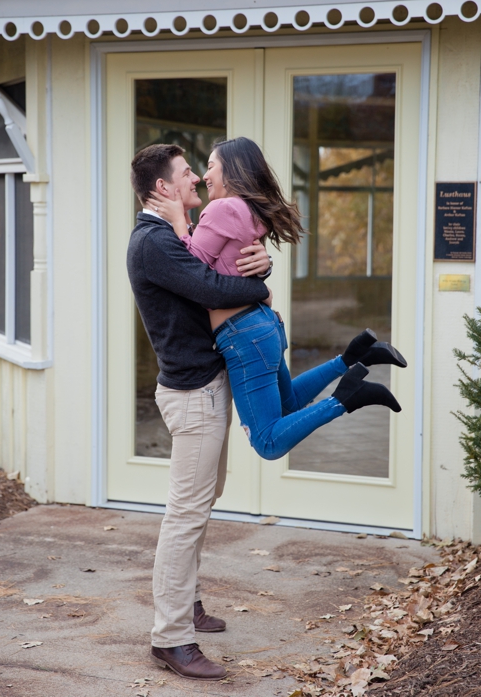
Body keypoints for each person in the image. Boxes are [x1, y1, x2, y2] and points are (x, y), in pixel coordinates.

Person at [144, 137, 404, 463]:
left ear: (232, 170)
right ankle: (353, 356)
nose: (204, 176)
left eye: (211, 166)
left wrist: (179, 222)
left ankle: (346, 398)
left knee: (268, 443)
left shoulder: (221, 208)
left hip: (243, 336)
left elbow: (193, 267)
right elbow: (224, 264)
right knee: (290, 404)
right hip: (261, 326)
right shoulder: (246, 210)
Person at [125, 143, 274, 680]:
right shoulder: (152, 242)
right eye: (187, 174)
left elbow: (221, 266)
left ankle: (186, 604)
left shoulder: (172, 238)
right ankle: (170, 638)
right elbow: (213, 287)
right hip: (193, 395)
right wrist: (262, 283)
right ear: (162, 188)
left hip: (207, 387)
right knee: (185, 515)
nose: (196, 180)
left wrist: (261, 258)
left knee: (204, 499)